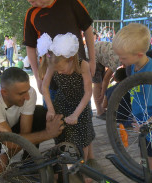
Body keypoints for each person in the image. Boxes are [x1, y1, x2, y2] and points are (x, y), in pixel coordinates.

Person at [112, 23, 152, 170]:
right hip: (147, 125)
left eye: (123, 57)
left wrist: (145, 124)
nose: (120, 60)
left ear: (138, 55)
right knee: (147, 160)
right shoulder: (135, 67)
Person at [0, 67, 64, 155]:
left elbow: (25, 135)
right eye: (21, 94)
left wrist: (7, 157)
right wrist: (48, 133)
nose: (27, 97)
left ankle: (29, 160)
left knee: (40, 113)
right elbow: (10, 142)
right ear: (4, 92)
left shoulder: (30, 93)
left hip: (10, 126)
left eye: (27, 90)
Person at [38, 33, 96, 172]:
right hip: (62, 104)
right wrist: (51, 109)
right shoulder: (54, 64)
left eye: (62, 70)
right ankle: (66, 169)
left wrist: (76, 114)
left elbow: (88, 92)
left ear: (71, 59)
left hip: (80, 106)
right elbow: (44, 87)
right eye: (58, 71)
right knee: (62, 137)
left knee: (83, 139)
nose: (60, 73)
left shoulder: (83, 65)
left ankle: (83, 168)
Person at [23, 0, 96, 94]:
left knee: (81, 106)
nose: (30, 1)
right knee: (52, 107)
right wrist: (38, 77)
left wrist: (92, 60)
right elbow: (30, 46)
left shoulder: (71, 2)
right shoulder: (31, 13)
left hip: (78, 72)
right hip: (50, 78)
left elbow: (87, 28)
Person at [92, 41, 121, 120]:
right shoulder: (117, 59)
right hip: (92, 55)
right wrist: (102, 95)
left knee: (100, 83)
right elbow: (106, 79)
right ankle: (99, 112)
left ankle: (100, 109)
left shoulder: (122, 53)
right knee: (97, 84)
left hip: (99, 53)